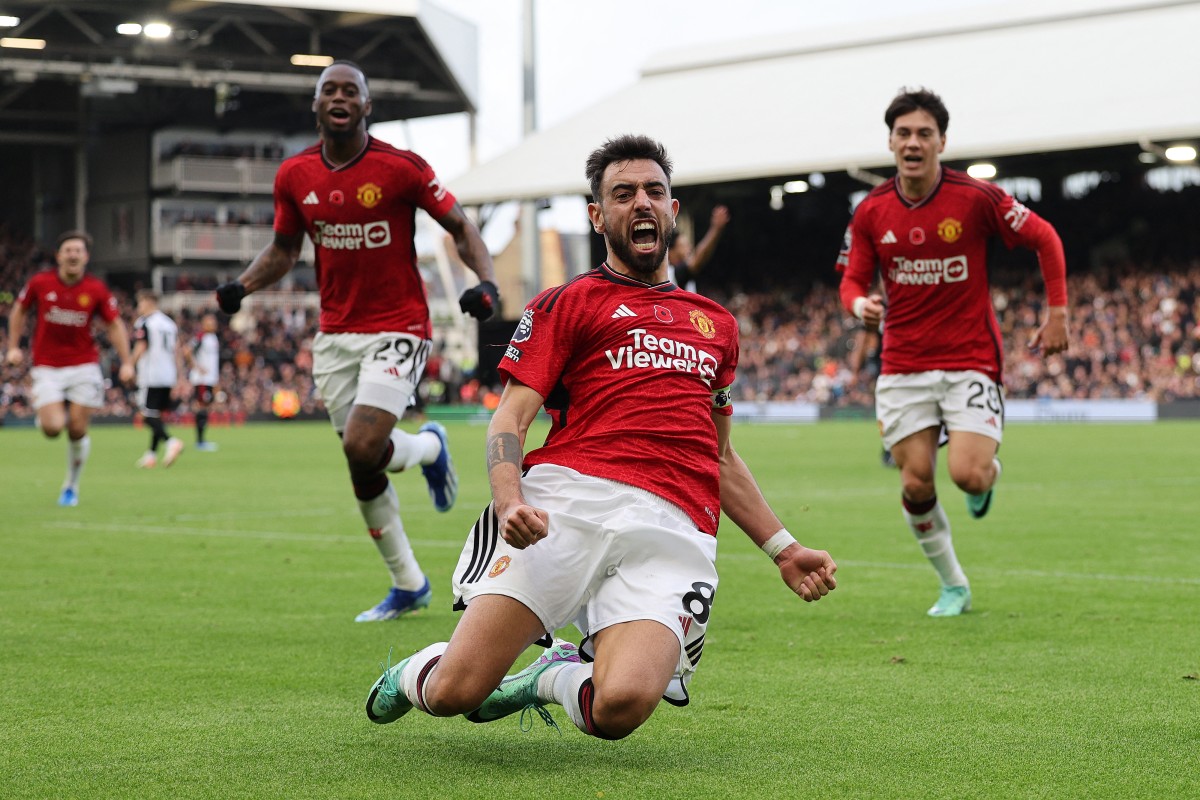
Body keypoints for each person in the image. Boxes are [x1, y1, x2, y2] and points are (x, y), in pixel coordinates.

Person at [364, 134, 836, 741]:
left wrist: (785, 549)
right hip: (568, 506)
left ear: (672, 210)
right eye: (623, 193)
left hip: (672, 527)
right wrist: (510, 499)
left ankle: (551, 676)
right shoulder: (569, 303)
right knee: (457, 691)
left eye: (654, 191)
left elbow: (720, 455)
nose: (641, 202)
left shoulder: (717, 325)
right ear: (597, 214)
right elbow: (510, 418)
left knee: (619, 709)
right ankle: (413, 674)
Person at [212, 60, 500, 622]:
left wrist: (485, 282)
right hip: (336, 335)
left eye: (351, 91)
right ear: (316, 106)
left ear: (367, 107)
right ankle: (409, 580)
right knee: (362, 465)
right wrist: (241, 287)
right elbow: (283, 251)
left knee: (362, 446)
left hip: (399, 325)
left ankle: (430, 450)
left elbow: (462, 228)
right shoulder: (294, 175)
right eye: (329, 90)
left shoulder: (402, 168)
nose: (339, 97)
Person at [837, 87, 1069, 617]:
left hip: (970, 358)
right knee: (916, 480)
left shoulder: (976, 197)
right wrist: (859, 308)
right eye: (903, 133)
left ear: (942, 140)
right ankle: (953, 585)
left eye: (924, 133)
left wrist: (1058, 314)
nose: (913, 142)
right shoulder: (871, 211)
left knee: (967, 474)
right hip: (902, 365)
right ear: (891, 141)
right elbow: (851, 281)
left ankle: (988, 473)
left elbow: (1046, 237)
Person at [5, 230, 135, 505]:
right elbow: (19, 309)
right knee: (53, 428)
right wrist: (13, 346)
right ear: (59, 256)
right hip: (47, 366)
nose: (73, 254)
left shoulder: (96, 289)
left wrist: (126, 362)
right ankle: (49, 412)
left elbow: (114, 325)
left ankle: (71, 486)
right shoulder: (40, 283)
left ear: (86, 257)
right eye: (68, 250)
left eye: (78, 250)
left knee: (77, 429)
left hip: (83, 365)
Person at [131, 290, 185, 468]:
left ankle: (171, 442)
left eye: (140, 303)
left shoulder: (145, 322)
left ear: (148, 302)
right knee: (156, 415)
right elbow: (177, 351)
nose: (139, 307)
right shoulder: (169, 324)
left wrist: (129, 364)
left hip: (150, 374)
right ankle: (151, 455)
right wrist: (180, 376)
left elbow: (141, 345)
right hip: (167, 374)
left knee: (146, 415)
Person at [668, 204, 730, 291]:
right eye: (683, 246)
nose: (689, 249)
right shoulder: (670, 274)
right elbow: (698, 259)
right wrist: (716, 229)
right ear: (670, 251)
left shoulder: (686, 276)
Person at [187, 312, 221, 451]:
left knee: (206, 408)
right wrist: (196, 367)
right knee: (201, 407)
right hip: (201, 379)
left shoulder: (213, 338)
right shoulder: (200, 337)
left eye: (213, 322)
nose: (212, 324)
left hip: (210, 380)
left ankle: (202, 441)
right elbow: (187, 351)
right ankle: (200, 442)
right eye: (209, 322)